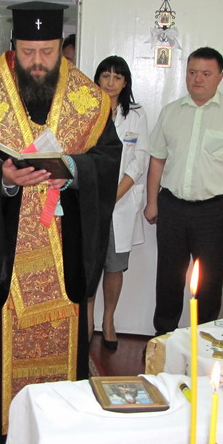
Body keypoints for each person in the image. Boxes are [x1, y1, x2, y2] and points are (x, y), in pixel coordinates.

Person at [0, 2, 121, 444]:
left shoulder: (88, 100)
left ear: (60, 49)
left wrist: (74, 169)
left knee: (64, 327)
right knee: (3, 329)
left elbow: (108, 158)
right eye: (28, 52)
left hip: (65, 245)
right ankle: (1, 426)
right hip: (6, 250)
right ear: (14, 47)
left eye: (47, 52)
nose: (37, 62)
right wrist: (3, 179)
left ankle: (60, 423)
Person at [144, 47, 223, 333]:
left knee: (208, 284)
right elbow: (157, 159)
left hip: (214, 212)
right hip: (172, 207)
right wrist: (152, 202)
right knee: (168, 279)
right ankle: (163, 339)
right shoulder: (171, 112)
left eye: (206, 74)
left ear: (219, 77)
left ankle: (204, 343)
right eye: (192, 72)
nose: (198, 79)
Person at [87, 56, 150, 350]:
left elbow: (139, 160)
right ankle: (87, 321)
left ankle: (109, 321)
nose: (110, 83)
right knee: (89, 266)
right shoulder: (85, 111)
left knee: (114, 266)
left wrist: (113, 196)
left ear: (125, 83)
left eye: (117, 77)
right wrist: (97, 196)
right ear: (97, 79)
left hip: (120, 203)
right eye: (106, 76)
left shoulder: (136, 116)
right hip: (89, 201)